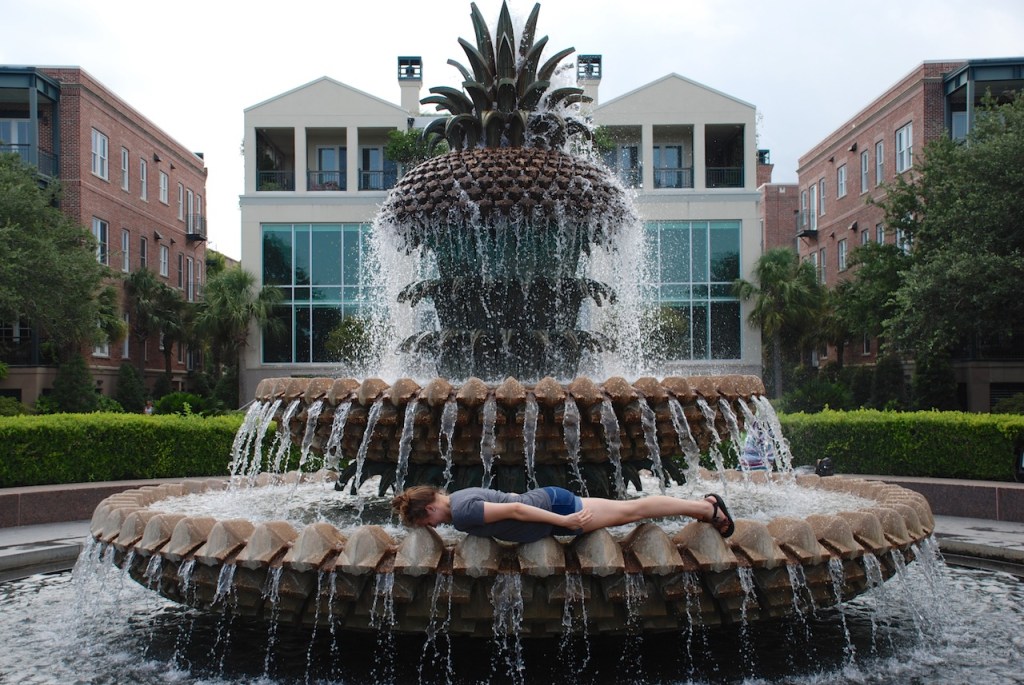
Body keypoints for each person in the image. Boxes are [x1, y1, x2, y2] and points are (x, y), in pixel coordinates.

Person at [391, 485, 735, 543]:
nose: (432, 527)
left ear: (431, 508)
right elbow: (508, 499)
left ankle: (706, 508)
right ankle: (702, 507)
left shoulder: (463, 513)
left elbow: (514, 508)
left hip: (556, 509)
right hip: (551, 501)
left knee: (633, 509)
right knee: (632, 509)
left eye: (426, 521)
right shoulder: (459, 497)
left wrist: (564, 522)